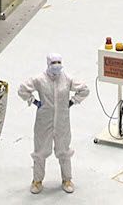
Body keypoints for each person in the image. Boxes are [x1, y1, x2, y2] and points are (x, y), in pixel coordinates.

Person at [18, 53, 89, 194]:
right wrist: (34, 102)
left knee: (64, 150)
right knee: (40, 151)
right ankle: (37, 181)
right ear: (48, 63)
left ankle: (67, 179)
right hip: (44, 121)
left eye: (58, 62)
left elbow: (84, 89)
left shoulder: (67, 79)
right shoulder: (40, 80)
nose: (56, 65)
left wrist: (72, 101)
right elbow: (22, 90)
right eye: (53, 62)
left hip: (62, 121)